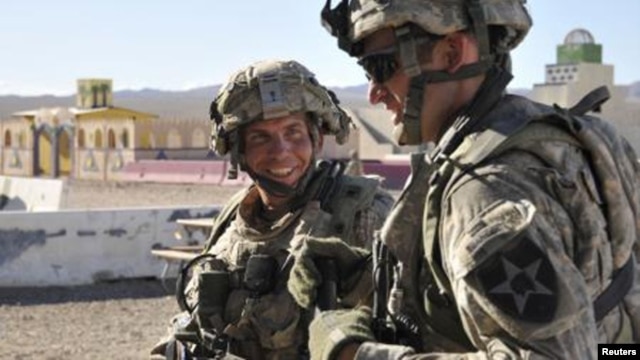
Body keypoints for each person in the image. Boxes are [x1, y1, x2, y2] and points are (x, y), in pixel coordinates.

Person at [285, 0, 640, 358]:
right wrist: (365, 273)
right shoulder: (574, 137)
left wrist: (354, 354)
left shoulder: (484, 191)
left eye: (380, 67)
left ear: (451, 53)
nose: (374, 93)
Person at [150, 59, 394, 360]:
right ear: (239, 150)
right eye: (260, 137)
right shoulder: (233, 217)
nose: (280, 152)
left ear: (315, 138)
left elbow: (413, 332)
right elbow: (194, 328)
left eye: (293, 132)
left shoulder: (364, 213)